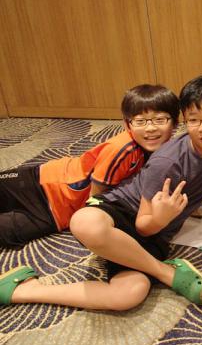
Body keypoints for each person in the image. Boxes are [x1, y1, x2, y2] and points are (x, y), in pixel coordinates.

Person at [0, 76, 202, 309]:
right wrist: (161, 218)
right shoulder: (167, 162)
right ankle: (165, 273)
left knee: (128, 295)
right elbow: (143, 224)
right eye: (194, 120)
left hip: (157, 233)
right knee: (83, 222)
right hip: (125, 211)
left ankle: (25, 290)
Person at [0, 84, 179, 248]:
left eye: (160, 119)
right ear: (127, 124)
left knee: (7, 234)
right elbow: (96, 198)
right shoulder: (123, 149)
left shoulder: (167, 150)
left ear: (175, 123)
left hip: (56, 214)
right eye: (140, 121)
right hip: (39, 183)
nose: (150, 128)